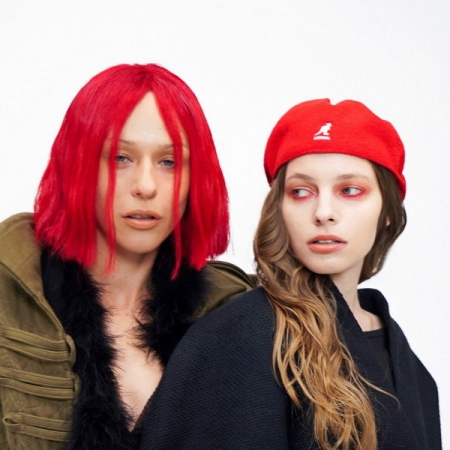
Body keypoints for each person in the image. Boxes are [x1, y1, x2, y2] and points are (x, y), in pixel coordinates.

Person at [139, 99, 442, 450]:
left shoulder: (409, 365)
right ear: (279, 209)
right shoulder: (236, 337)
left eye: (350, 190)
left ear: (387, 209)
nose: (323, 212)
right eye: (300, 192)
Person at [0, 63, 255, 450]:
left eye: (169, 162)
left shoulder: (233, 312)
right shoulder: (10, 287)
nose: (146, 186)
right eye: (121, 158)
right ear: (77, 164)